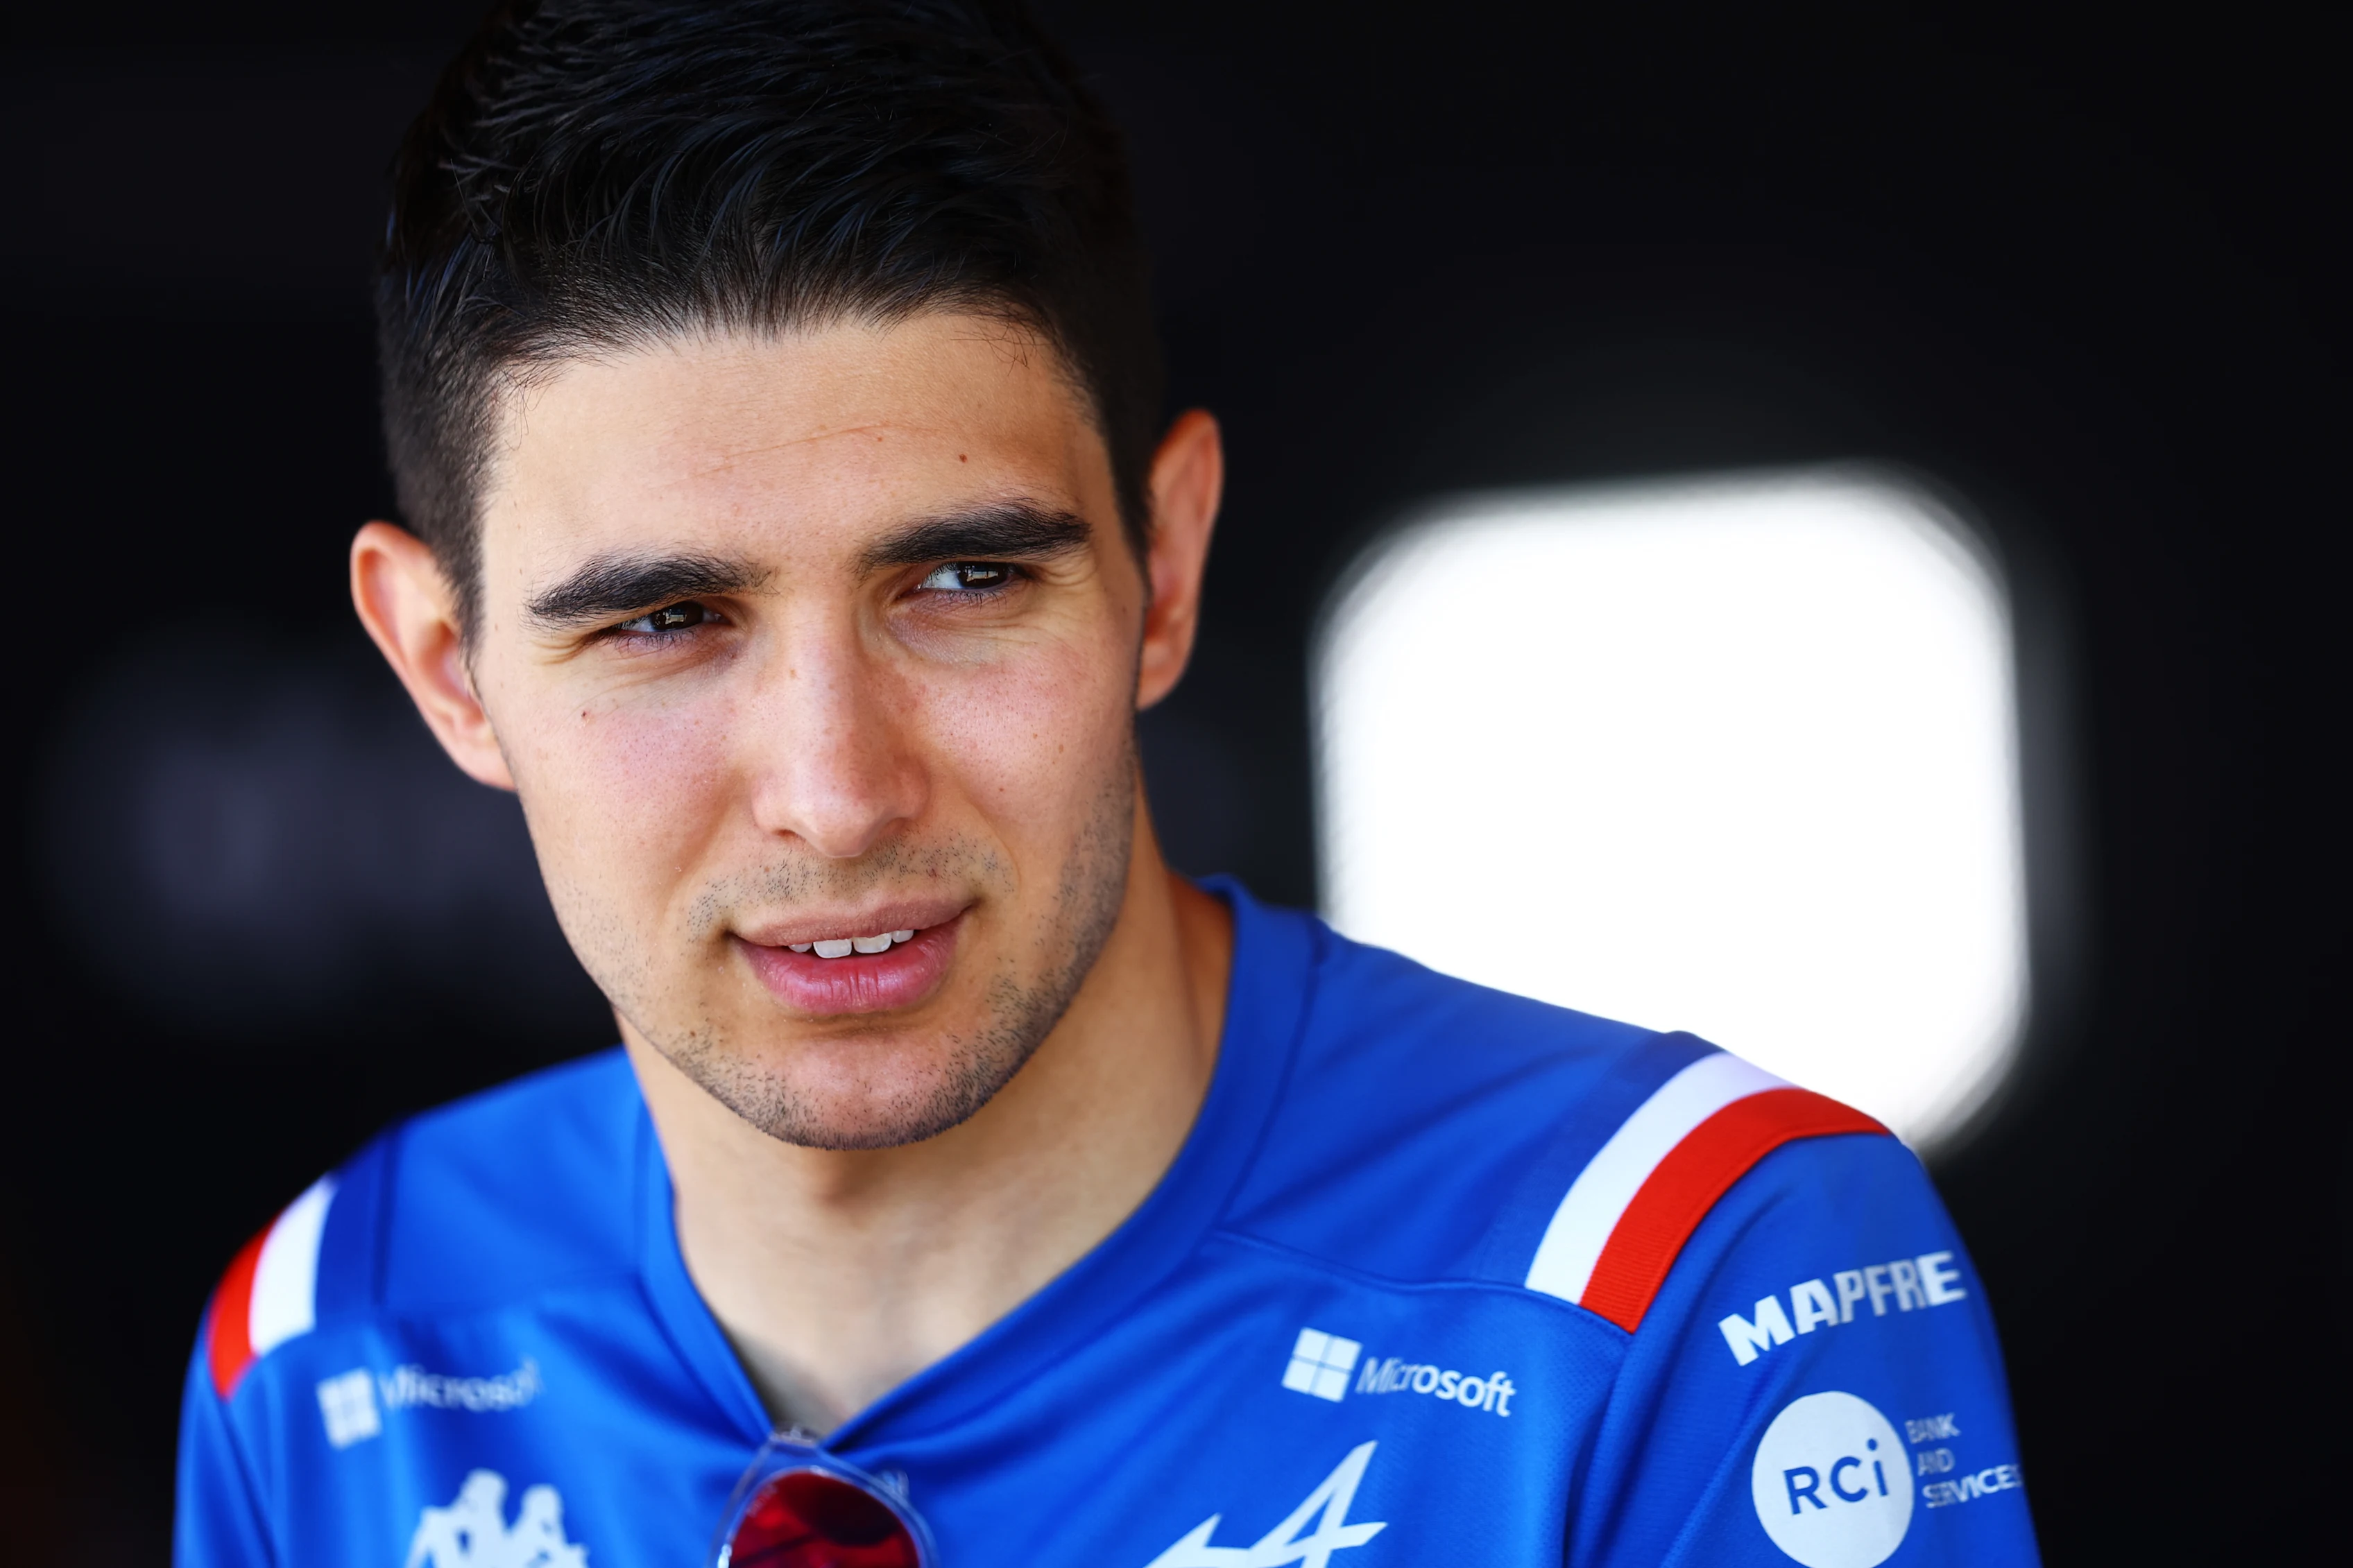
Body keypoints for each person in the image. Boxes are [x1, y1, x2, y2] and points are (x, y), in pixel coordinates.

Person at [175, 3, 2042, 1564]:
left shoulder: (1686, 1277)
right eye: (668, 621)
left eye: (965, 581)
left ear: (1167, 564)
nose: (835, 791)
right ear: (447, 667)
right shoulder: (336, 1340)